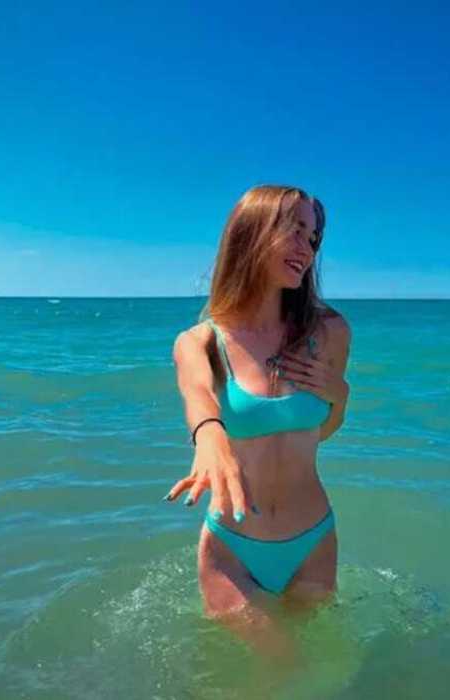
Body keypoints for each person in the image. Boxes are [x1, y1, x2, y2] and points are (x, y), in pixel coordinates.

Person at [164, 184, 352, 653]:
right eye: (294, 229)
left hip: (313, 542)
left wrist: (339, 393)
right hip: (233, 549)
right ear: (252, 233)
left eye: (313, 237)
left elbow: (321, 431)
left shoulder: (329, 332)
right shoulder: (200, 342)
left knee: (321, 670)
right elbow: (198, 397)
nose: (306, 247)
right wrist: (210, 439)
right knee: (278, 664)